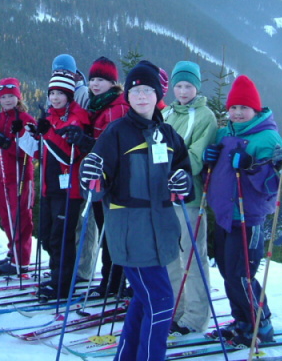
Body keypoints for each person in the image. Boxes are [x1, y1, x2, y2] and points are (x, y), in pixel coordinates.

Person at [80, 60, 193, 361]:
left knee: (145, 301)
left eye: (147, 90)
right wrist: (90, 176)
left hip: (161, 233)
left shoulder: (168, 134)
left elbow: (184, 175)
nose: (141, 96)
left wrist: (183, 182)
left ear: (158, 95)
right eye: (135, 91)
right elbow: (96, 185)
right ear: (127, 96)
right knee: (161, 301)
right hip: (131, 233)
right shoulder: (116, 133)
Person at [202, 74, 282, 346]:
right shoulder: (225, 133)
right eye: (233, 107)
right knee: (228, 272)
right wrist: (209, 161)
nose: (237, 113)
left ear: (255, 109)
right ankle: (242, 321)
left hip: (248, 217)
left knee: (242, 275)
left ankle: (262, 324)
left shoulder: (268, 138)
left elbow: (273, 184)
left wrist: (251, 167)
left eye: (244, 108)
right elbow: (215, 174)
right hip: (224, 215)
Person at [24, 70, 91, 301]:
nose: (55, 98)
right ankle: (56, 275)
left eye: (60, 93)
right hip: (49, 186)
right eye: (52, 93)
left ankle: (62, 283)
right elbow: (43, 151)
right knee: (46, 235)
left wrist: (48, 133)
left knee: (60, 238)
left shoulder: (78, 118)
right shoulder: (51, 116)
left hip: (68, 189)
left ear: (69, 95)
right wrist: (31, 135)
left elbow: (69, 156)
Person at [162, 61, 218, 335]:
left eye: (188, 86)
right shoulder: (167, 112)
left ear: (197, 86)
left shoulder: (205, 116)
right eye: (179, 85)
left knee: (193, 258)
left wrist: (174, 170)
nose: (183, 91)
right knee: (171, 258)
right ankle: (175, 309)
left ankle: (196, 317)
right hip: (164, 196)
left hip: (189, 197)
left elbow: (196, 155)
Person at [82, 56, 129, 298]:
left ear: (113, 82)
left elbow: (114, 147)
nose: (95, 84)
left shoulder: (117, 108)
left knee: (111, 234)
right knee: (105, 232)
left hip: (112, 182)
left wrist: (88, 143)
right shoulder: (98, 105)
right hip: (100, 180)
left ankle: (114, 282)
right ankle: (111, 280)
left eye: (101, 79)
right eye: (92, 79)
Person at [0, 78, 36, 276]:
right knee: (7, 218)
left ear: (18, 97)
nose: (7, 100)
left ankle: (22, 260)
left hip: (21, 178)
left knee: (20, 219)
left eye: (11, 96)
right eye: (4, 97)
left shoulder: (26, 120)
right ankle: (13, 252)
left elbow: (32, 150)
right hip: (2, 177)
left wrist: (7, 144)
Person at [50, 53, 94, 282]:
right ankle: (69, 267)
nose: (61, 74)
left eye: (65, 71)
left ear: (74, 72)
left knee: (82, 220)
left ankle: (82, 268)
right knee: (67, 225)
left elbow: (84, 123)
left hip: (80, 162)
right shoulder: (56, 92)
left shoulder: (82, 93)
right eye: (57, 71)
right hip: (61, 168)